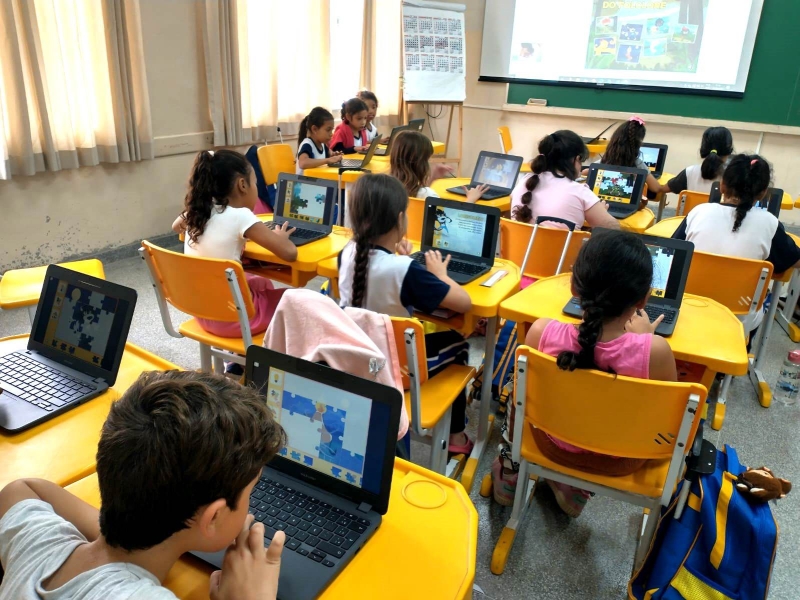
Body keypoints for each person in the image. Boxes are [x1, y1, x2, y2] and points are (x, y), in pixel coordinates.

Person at [0, 370, 287, 600]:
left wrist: (131, 532)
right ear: (213, 517)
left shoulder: (36, 550)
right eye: (251, 491)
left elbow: (24, 487)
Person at [491, 230, 677, 514]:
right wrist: (645, 340)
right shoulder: (656, 352)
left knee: (516, 388)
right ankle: (574, 489)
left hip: (551, 444)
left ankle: (509, 471)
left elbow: (523, 399)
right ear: (643, 300)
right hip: (621, 459)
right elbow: (669, 421)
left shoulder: (541, 332)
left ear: (573, 287)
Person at [337, 174, 475, 454]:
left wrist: (397, 254)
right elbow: (464, 303)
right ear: (400, 219)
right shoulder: (405, 270)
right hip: (395, 367)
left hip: (353, 355)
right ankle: (456, 435)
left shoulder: (347, 253)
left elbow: (380, 275)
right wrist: (440, 274)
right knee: (459, 343)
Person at [172, 150, 297, 339]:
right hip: (238, 319)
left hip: (204, 314)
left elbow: (176, 227)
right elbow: (289, 253)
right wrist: (279, 236)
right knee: (301, 300)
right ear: (242, 185)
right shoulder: (241, 216)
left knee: (260, 282)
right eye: (255, 183)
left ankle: (246, 351)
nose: (256, 188)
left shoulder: (198, 211)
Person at [673, 154, 800, 332]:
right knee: (765, 296)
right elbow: (793, 260)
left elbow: (673, 252)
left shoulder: (698, 212)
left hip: (688, 308)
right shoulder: (770, 223)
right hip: (740, 322)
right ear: (763, 193)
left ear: (722, 185)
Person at [511, 130, 620, 230]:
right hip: (562, 246)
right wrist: (601, 212)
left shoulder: (524, 182)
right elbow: (613, 230)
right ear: (577, 159)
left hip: (521, 246)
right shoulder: (579, 191)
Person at [390, 130, 487, 201]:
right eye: (428, 159)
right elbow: (447, 219)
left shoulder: (387, 188)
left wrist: (431, 179)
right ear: (421, 164)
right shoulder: (429, 196)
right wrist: (471, 199)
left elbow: (416, 195)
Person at [596, 116, 659, 205]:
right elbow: (656, 188)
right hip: (628, 205)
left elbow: (585, 172)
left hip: (602, 204)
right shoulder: (638, 164)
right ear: (638, 144)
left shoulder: (605, 160)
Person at [662, 126, 734, 195]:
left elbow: (663, 189)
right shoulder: (733, 177)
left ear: (703, 148)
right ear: (729, 149)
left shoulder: (689, 172)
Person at [296, 107, 343, 173]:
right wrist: (327, 160)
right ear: (315, 129)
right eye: (328, 130)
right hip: (303, 180)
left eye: (332, 130)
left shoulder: (322, 145)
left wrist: (334, 155)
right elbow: (303, 163)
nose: (331, 134)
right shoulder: (307, 144)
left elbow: (330, 154)